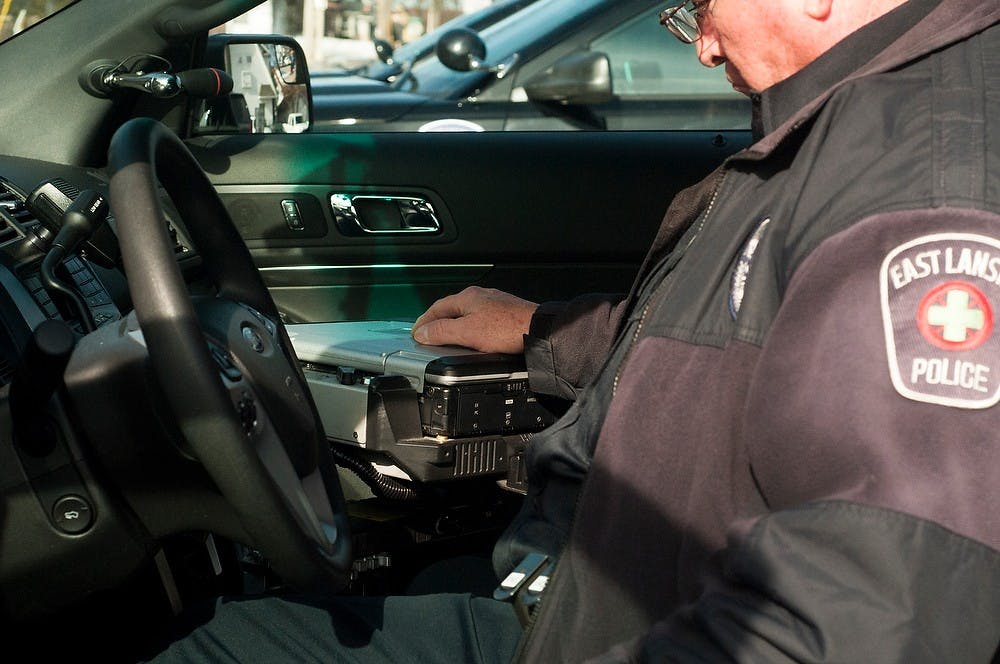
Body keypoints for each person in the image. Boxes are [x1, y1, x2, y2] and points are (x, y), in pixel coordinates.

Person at [151, 0, 1000, 660]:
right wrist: (542, 330)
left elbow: (884, 609)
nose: (701, 45)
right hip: (578, 604)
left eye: (703, 6)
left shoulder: (922, 190)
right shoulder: (842, 123)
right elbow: (739, 338)